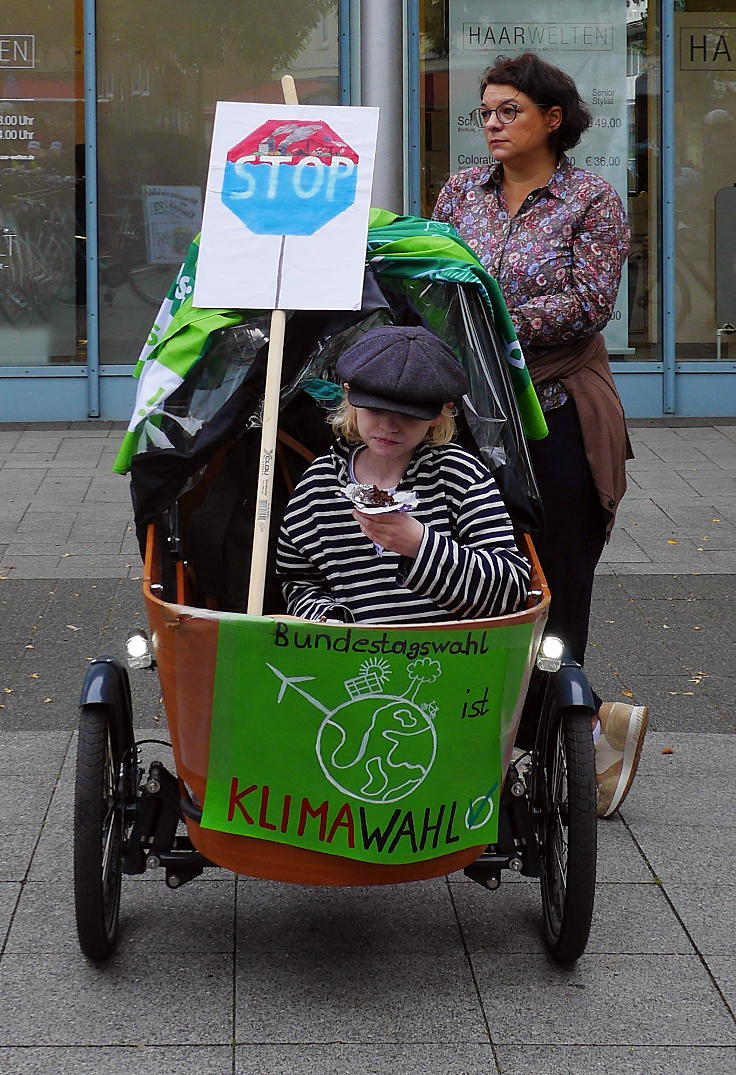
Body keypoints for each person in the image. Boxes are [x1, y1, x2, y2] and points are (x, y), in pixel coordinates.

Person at [432, 52, 648, 818]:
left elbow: (588, 303)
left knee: (556, 588)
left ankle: (565, 741)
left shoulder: (590, 198)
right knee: (463, 578)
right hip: (465, 419)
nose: (491, 124)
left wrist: (482, 321)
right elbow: (432, 278)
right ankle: (482, 743)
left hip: (555, 414)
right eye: (485, 112)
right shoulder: (461, 190)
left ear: (551, 119)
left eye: (508, 111)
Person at [276, 324, 530, 625]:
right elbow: (298, 579)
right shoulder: (319, 486)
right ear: (351, 398)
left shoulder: (459, 477)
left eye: (408, 415)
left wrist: (420, 545)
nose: (389, 426)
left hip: (449, 656)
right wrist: (325, 616)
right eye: (375, 410)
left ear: (439, 414)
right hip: (353, 659)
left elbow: (511, 589)